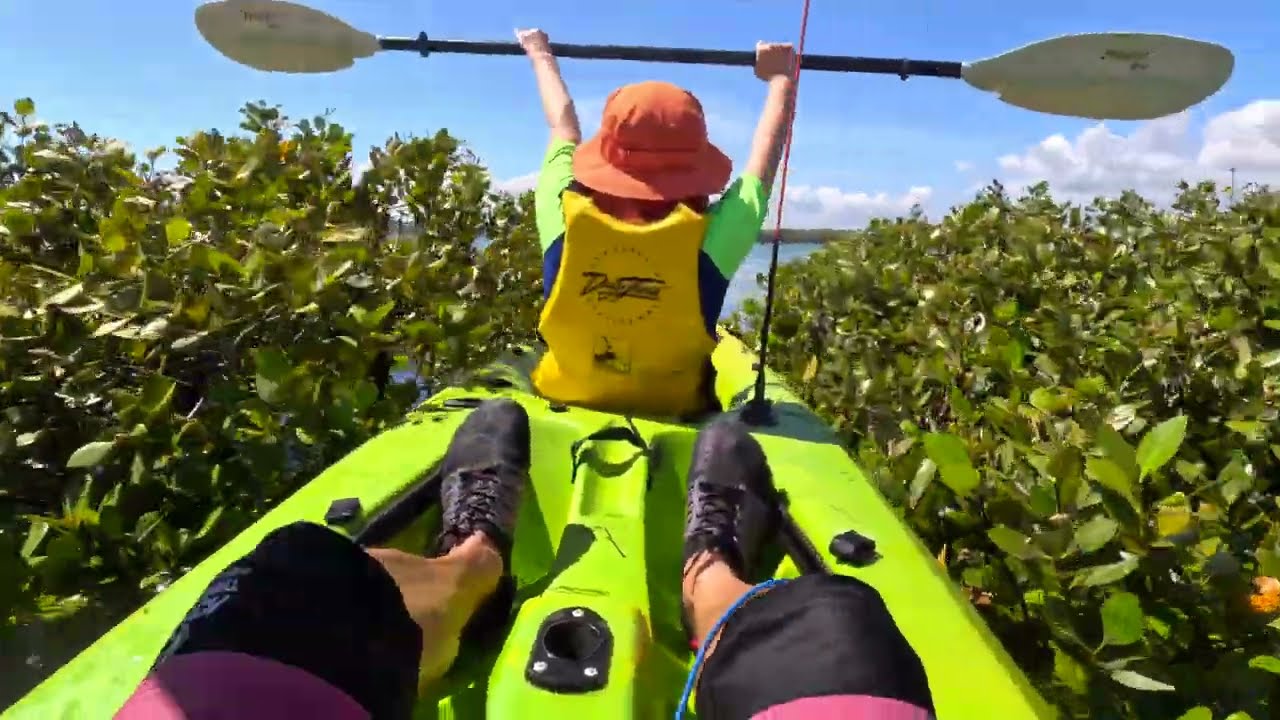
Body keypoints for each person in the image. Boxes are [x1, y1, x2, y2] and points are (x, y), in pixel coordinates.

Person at [115, 399, 936, 719]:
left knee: (300, 574)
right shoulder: (719, 223)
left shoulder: (564, 195)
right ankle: (710, 579)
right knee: (840, 626)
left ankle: (475, 564)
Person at [518, 29, 797, 418]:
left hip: (563, 403)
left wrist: (539, 54)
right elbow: (764, 158)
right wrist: (782, 77)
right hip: (676, 414)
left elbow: (562, 128)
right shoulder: (714, 238)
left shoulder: (561, 210)